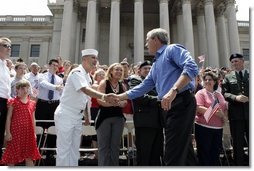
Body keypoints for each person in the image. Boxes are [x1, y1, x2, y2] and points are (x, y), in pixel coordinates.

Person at [116, 28, 199, 166]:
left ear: (156, 39)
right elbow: (144, 86)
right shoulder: (156, 63)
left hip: (180, 101)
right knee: (184, 149)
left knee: (173, 151)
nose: (146, 45)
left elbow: (191, 67)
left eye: (147, 41)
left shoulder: (172, 49)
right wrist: (120, 96)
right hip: (169, 106)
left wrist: (174, 90)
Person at [54, 49, 118, 166]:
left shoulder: (87, 76)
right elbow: (85, 90)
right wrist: (104, 96)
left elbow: (84, 99)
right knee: (64, 150)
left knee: (74, 150)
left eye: (96, 58)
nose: (95, 60)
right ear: (84, 59)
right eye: (92, 57)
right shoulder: (76, 72)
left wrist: (87, 116)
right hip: (66, 114)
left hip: (77, 116)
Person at [129, 60, 164, 166]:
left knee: (156, 153)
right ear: (139, 71)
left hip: (158, 122)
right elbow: (138, 96)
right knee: (144, 154)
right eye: (145, 69)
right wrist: (158, 99)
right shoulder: (136, 81)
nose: (148, 70)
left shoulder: (157, 82)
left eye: (150, 68)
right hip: (145, 123)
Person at [0, 79, 41, 166]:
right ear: (17, 90)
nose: (25, 90)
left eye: (27, 88)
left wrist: (34, 133)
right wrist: (8, 132)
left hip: (28, 133)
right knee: (12, 157)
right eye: (22, 88)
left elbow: (33, 119)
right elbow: (9, 118)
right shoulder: (13, 102)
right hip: (16, 133)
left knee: (29, 157)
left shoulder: (32, 103)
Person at [194, 71, 227, 166]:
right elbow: (198, 108)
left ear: (215, 81)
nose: (207, 81)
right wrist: (215, 113)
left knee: (215, 154)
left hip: (218, 128)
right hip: (203, 127)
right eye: (205, 79)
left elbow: (224, 107)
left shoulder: (219, 94)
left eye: (210, 79)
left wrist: (224, 117)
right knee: (204, 155)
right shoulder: (200, 93)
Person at [221, 53, 249, 166]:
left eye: (236, 61)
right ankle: (239, 164)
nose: (234, 64)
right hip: (236, 115)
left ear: (242, 61)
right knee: (237, 142)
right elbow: (224, 93)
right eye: (232, 62)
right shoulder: (228, 77)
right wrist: (235, 97)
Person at [0, 37, 12, 159]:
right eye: (5, 45)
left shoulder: (5, 65)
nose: (9, 48)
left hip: (5, 102)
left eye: (10, 46)